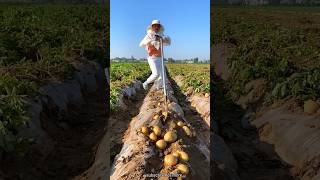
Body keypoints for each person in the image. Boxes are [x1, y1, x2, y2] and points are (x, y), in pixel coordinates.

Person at [139, 19, 171, 90]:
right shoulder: (149, 35)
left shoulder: (161, 35)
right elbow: (141, 44)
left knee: (162, 75)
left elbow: (168, 42)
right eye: (155, 26)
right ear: (152, 27)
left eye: (158, 26)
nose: (156, 27)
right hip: (152, 58)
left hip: (160, 57)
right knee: (156, 74)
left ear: (159, 27)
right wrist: (151, 41)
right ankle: (146, 83)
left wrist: (162, 39)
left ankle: (159, 88)